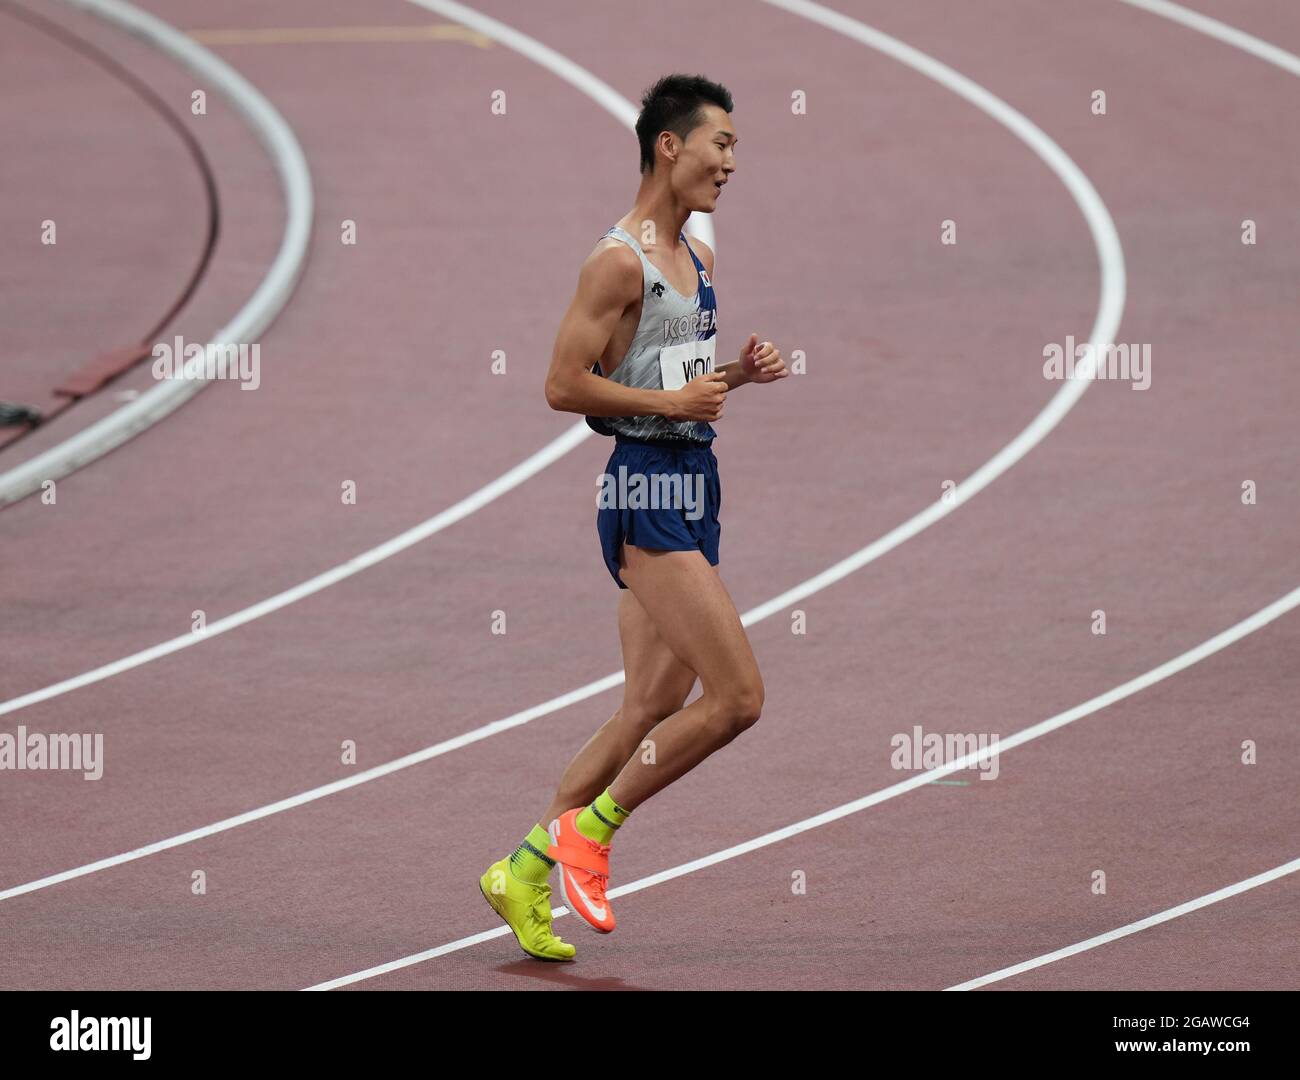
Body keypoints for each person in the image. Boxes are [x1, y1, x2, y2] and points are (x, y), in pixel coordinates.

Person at [479, 73, 788, 961]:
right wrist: (682, 402)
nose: (732, 162)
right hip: (645, 489)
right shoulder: (617, 261)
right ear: (669, 146)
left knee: (650, 704)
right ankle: (593, 829)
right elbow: (562, 385)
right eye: (720, 143)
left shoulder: (699, 256)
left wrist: (737, 374)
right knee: (736, 699)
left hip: (694, 483)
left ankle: (525, 866)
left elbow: (677, 386)